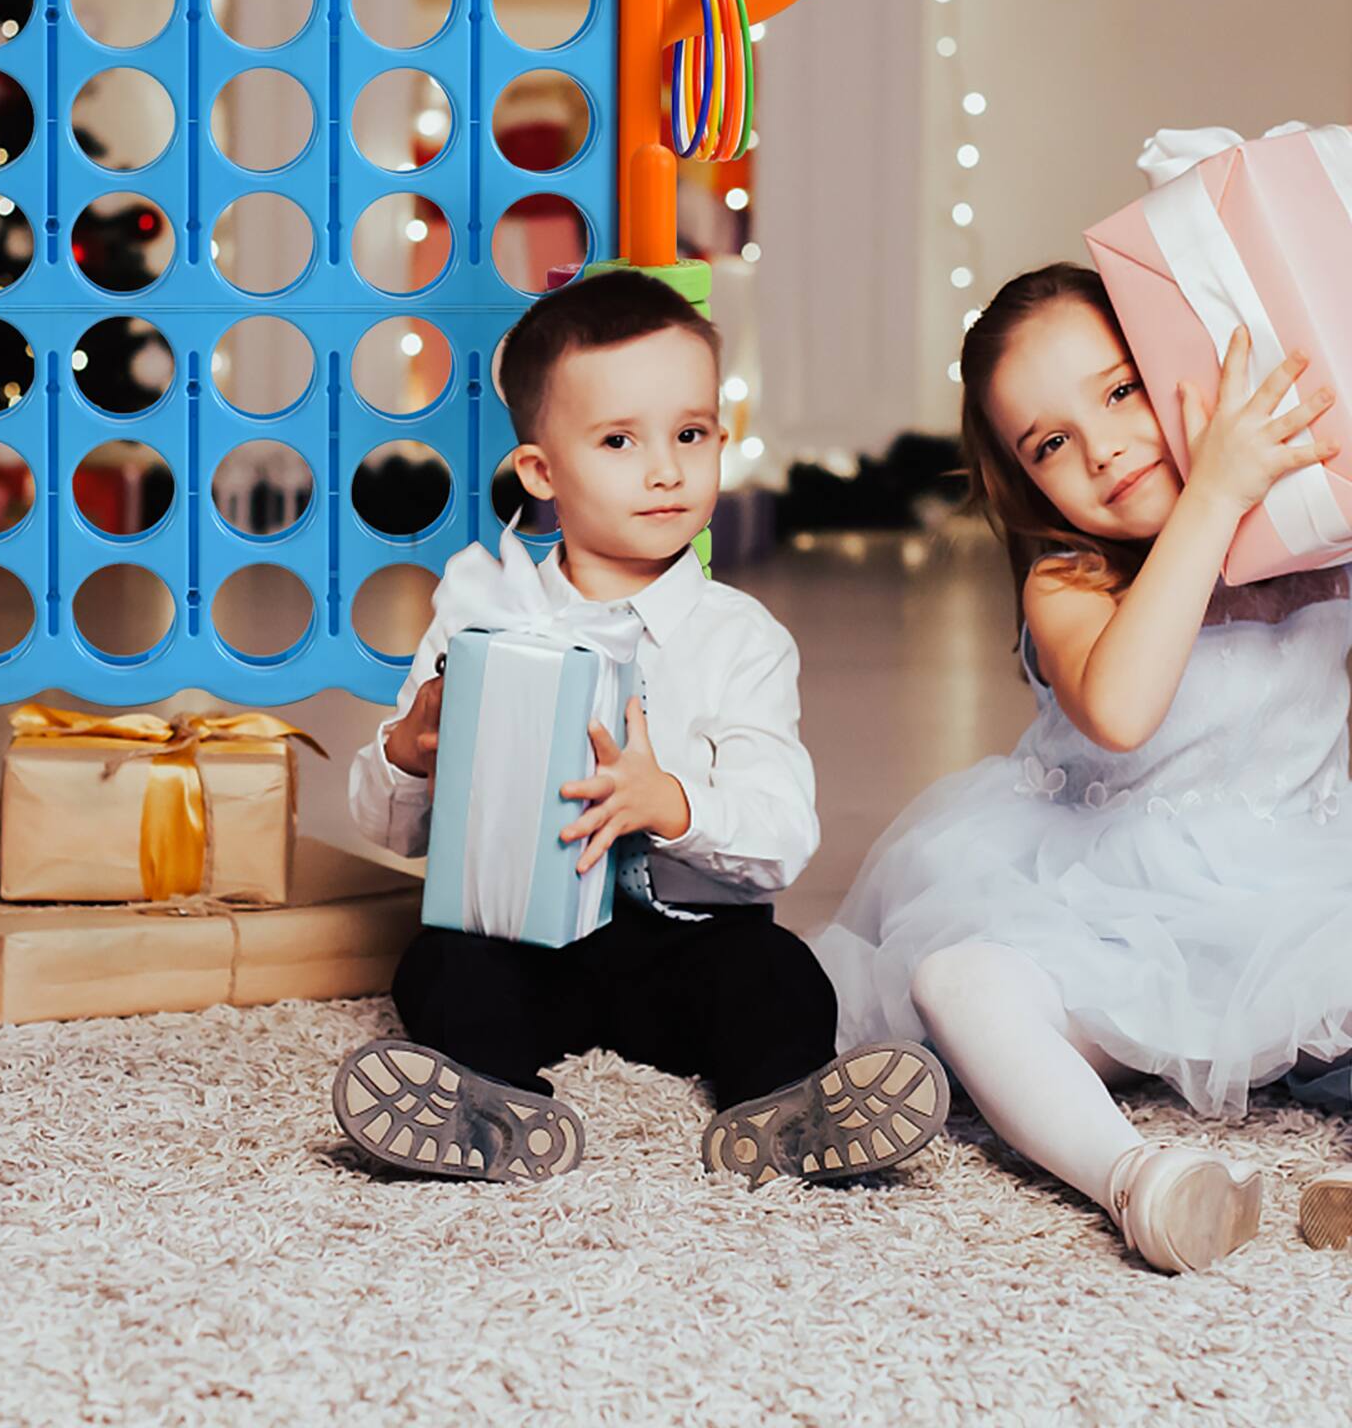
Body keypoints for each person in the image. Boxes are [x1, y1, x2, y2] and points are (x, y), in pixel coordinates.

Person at [333, 269, 948, 1184]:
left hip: (687, 942)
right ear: (542, 471)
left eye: (690, 435)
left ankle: (783, 1114)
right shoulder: (481, 613)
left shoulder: (740, 639)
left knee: (782, 975)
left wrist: (671, 803)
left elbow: (784, 835)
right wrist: (410, 754)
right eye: (619, 440)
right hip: (527, 943)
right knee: (438, 969)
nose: (666, 469)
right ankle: (492, 1108)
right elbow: (389, 830)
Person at [815, 262, 1352, 1272]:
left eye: (1120, 389)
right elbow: (1116, 705)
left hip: (1291, 897)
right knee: (957, 980)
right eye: (1049, 443)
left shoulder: (1314, 550)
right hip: (1101, 904)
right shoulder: (1066, 579)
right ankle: (1136, 1179)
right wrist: (1214, 491)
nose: (1100, 446)